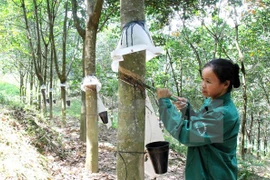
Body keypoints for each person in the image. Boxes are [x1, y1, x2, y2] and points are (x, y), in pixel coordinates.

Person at [156, 58, 240, 180]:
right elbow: (201, 126)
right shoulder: (212, 102)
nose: (203, 85)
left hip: (213, 175)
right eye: (202, 79)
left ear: (226, 84)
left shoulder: (223, 114)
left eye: (208, 81)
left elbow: (187, 134)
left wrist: (165, 103)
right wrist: (187, 110)